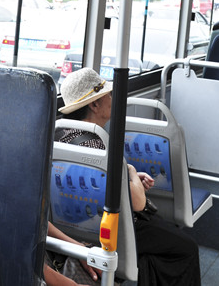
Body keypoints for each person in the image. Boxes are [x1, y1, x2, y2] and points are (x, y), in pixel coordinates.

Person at [57, 68, 201, 286]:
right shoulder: (99, 145)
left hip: (76, 226)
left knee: (153, 255)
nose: (112, 99)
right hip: (114, 229)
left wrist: (125, 176)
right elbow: (138, 202)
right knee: (186, 248)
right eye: (108, 95)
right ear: (94, 105)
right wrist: (131, 171)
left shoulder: (61, 137)